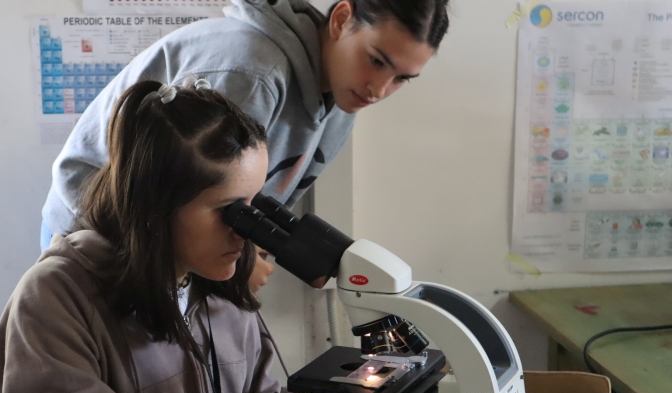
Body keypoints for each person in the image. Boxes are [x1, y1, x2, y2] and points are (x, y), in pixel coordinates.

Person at [0, 80, 407, 393]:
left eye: (251, 206)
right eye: (228, 210)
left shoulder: (215, 285)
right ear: (155, 205)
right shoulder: (57, 300)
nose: (244, 232)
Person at [41, 0, 450, 291]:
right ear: (342, 19)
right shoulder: (252, 73)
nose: (379, 90)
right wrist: (240, 269)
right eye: (376, 60)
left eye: (401, 78)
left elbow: (251, 206)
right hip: (101, 229)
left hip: (177, 249)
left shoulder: (345, 102)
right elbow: (177, 198)